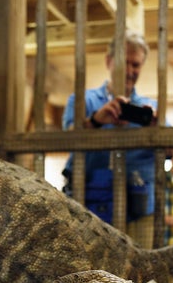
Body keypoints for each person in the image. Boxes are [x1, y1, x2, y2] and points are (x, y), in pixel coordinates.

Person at [61, 30, 158, 248]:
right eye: (126, 63)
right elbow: (65, 138)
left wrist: (156, 130)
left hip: (139, 212)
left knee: (139, 276)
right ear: (109, 61)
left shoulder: (150, 109)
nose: (131, 71)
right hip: (87, 209)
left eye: (136, 65)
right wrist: (95, 121)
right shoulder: (82, 101)